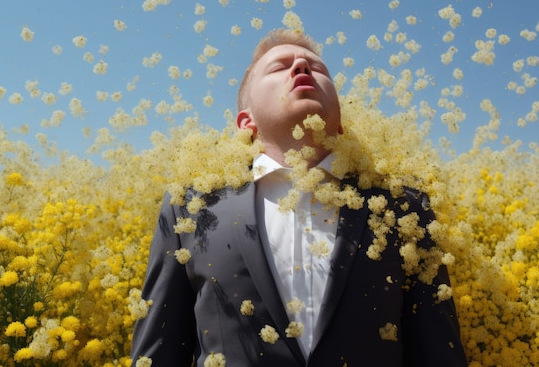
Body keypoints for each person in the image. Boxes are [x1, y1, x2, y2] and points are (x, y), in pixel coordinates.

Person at [130, 29, 468, 366]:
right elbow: (158, 351)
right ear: (246, 122)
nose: (302, 68)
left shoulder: (404, 206)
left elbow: (438, 352)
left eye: (317, 68)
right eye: (279, 67)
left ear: (340, 124)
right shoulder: (190, 208)